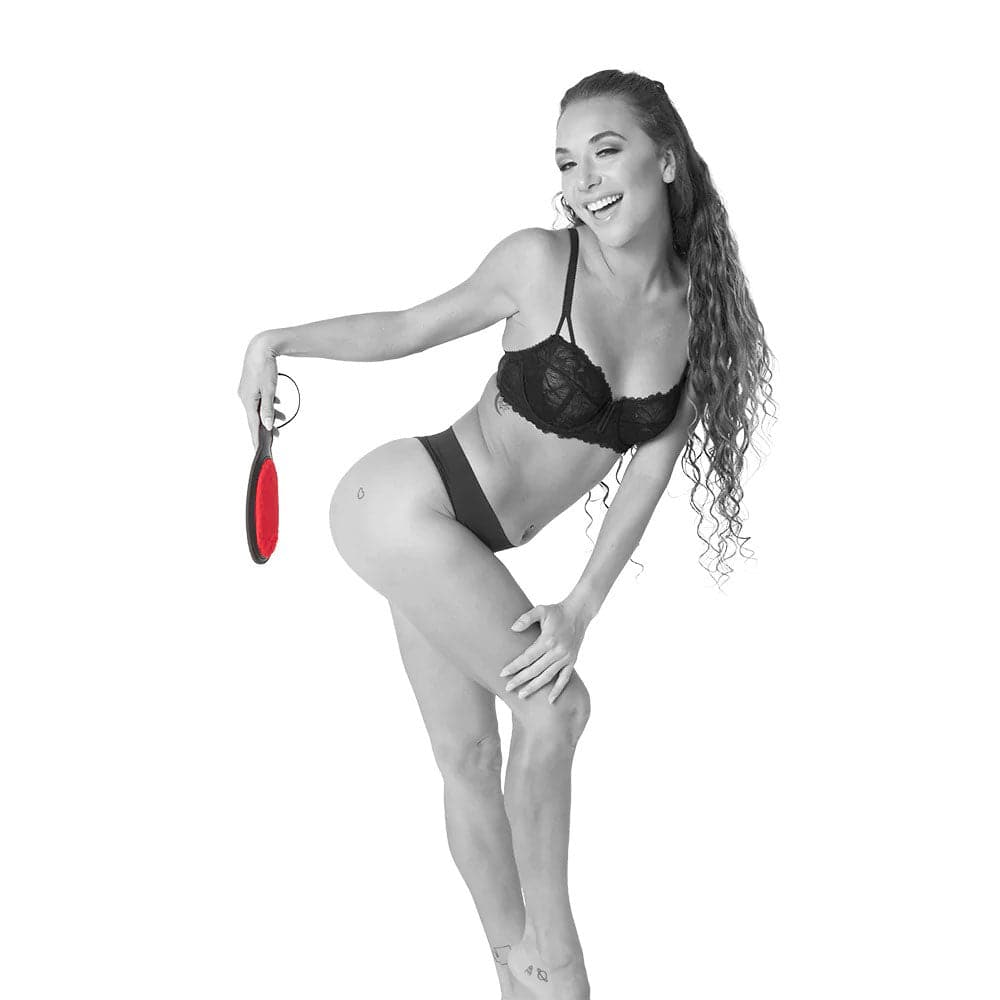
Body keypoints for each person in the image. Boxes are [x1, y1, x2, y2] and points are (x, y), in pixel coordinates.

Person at [238, 69, 774, 1000]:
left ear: (666, 160)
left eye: (605, 152)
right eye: (566, 163)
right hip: (402, 501)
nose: (584, 181)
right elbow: (409, 326)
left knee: (470, 758)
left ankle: (515, 977)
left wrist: (580, 607)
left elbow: (647, 474)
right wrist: (275, 340)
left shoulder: (699, 318)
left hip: (460, 546)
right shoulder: (540, 263)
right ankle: (559, 965)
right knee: (556, 709)